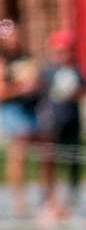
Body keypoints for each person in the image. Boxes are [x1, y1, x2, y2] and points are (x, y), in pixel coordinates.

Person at [38, 30, 85, 223]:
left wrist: (76, 92)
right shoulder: (48, 71)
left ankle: (71, 200)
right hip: (52, 121)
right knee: (51, 162)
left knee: (74, 161)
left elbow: (84, 88)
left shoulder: (75, 70)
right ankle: (49, 199)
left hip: (72, 120)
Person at [0, 19, 41, 218]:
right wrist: (22, 88)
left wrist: (36, 85)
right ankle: (19, 200)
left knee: (46, 150)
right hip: (13, 110)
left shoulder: (26, 57)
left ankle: (47, 196)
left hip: (31, 108)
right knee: (18, 155)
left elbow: (36, 80)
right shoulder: (3, 60)